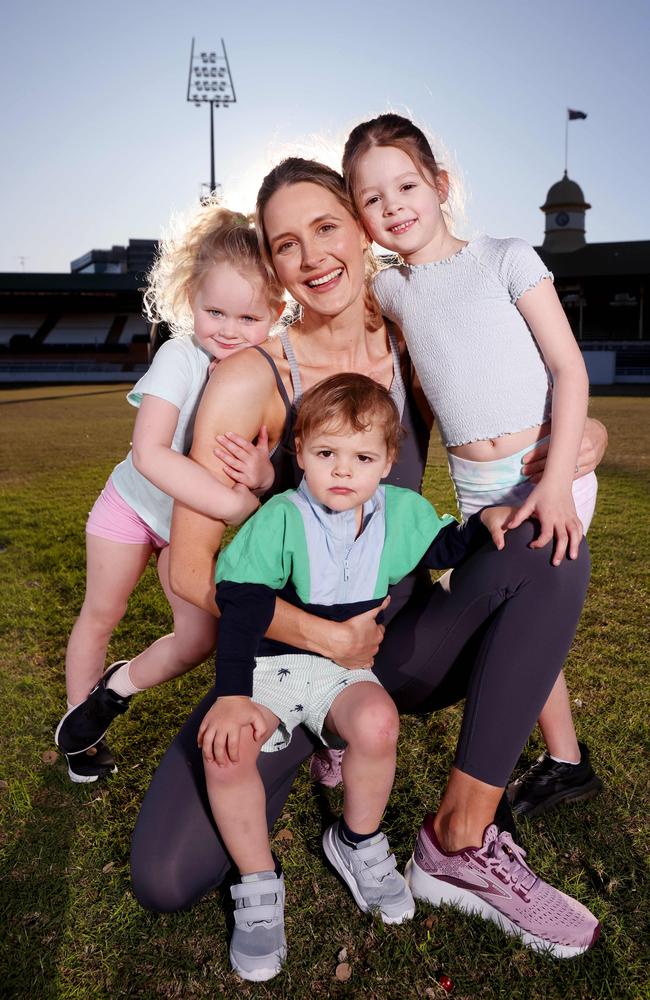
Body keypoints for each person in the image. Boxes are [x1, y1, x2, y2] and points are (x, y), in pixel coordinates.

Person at [130, 158, 606, 958]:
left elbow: (515, 419)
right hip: (283, 663)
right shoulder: (253, 378)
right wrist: (323, 642)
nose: (312, 255)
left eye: (326, 227)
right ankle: (323, 747)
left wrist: (581, 442)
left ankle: (459, 839)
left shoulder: (410, 351)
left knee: (545, 545)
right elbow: (188, 571)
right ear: (274, 267)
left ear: (359, 228)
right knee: (167, 876)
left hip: (402, 649)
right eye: (286, 244)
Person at [201, 371, 517, 980]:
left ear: (387, 462)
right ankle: (259, 885)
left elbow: (443, 550)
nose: (343, 472)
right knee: (227, 748)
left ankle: (357, 841)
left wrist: (484, 525)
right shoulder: (282, 518)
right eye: (326, 454)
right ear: (300, 454)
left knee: (377, 721)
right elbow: (240, 607)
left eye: (362, 457)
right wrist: (233, 696)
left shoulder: (398, 511)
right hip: (271, 665)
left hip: (346, 670)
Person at [340, 113, 603, 818]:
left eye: (406, 185)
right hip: (480, 490)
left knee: (517, 604)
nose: (393, 205)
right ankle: (566, 761)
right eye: (372, 198)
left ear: (441, 184)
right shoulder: (391, 292)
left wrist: (555, 488)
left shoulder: (506, 257)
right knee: (519, 618)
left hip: (549, 470)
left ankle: (494, 796)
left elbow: (568, 370)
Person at [54, 204, 283, 782]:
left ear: (277, 314)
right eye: (215, 311)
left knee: (198, 637)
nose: (229, 330)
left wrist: (261, 477)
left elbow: (267, 463)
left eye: (248, 317)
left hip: (183, 524)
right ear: (190, 299)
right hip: (131, 509)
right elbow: (147, 452)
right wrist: (233, 503)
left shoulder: (266, 371)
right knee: (103, 614)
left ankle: (113, 690)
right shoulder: (180, 356)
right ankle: (81, 728)